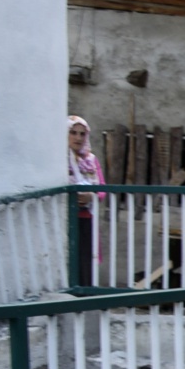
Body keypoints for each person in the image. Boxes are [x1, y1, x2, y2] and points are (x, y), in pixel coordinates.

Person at [67, 115, 105, 286]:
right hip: (66, 219)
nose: (78, 138)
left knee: (86, 260)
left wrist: (91, 196)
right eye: (73, 132)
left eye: (82, 134)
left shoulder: (91, 160)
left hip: (87, 218)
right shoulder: (57, 159)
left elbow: (102, 190)